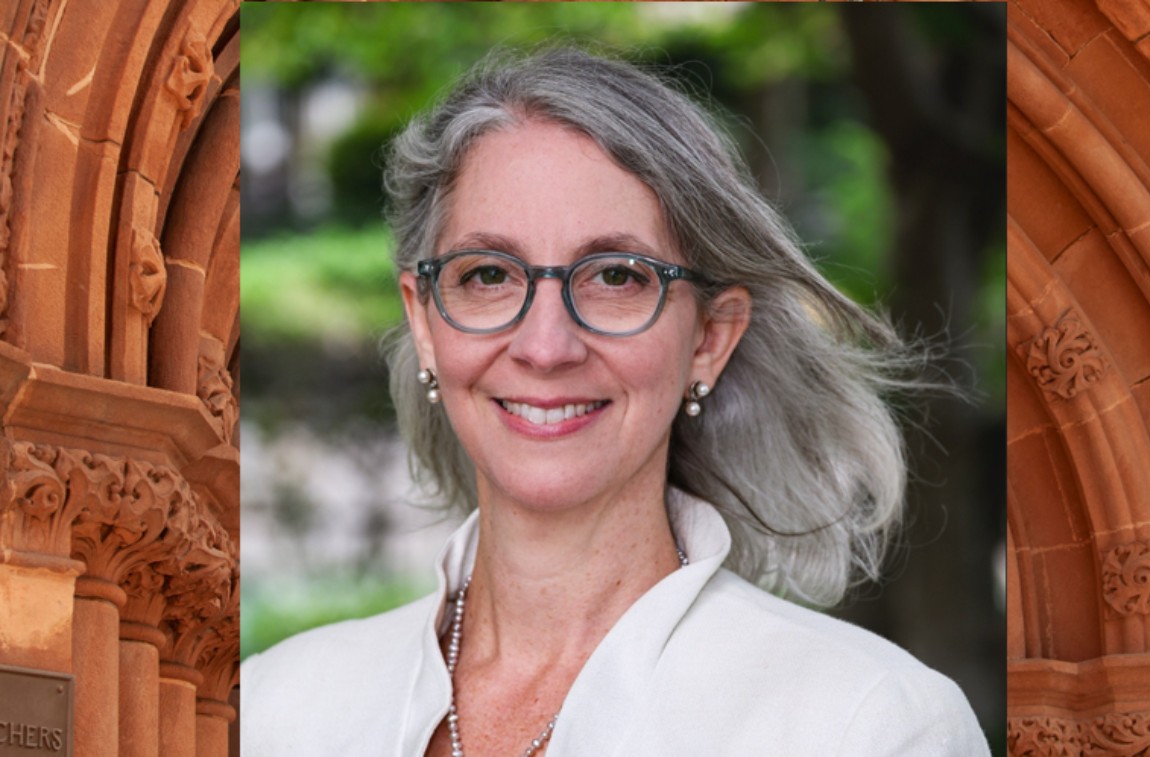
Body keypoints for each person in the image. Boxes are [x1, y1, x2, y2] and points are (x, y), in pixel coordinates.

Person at [242, 46, 988, 755]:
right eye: (489, 274)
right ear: (425, 320)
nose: (545, 345)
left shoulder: (869, 726)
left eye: (618, 276)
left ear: (709, 338)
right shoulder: (275, 711)